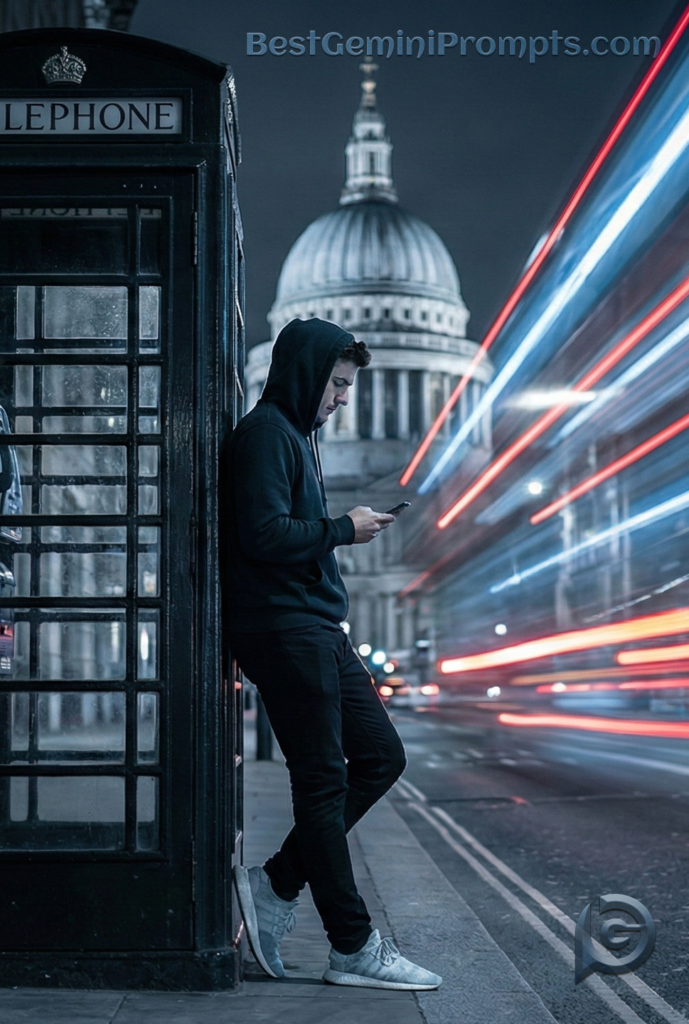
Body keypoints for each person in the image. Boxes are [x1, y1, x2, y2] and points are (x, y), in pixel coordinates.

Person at [224, 317, 441, 990]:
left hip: (317, 627)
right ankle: (352, 946)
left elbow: (287, 531)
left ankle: (274, 885)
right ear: (306, 373)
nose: (344, 398)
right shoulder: (265, 436)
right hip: (287, 631)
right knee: (322, 784)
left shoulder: (293, 438)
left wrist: (341, 529)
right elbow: (261, 534)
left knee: (381, 756)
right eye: (339, 384)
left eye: (349, 386)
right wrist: (343, 528)